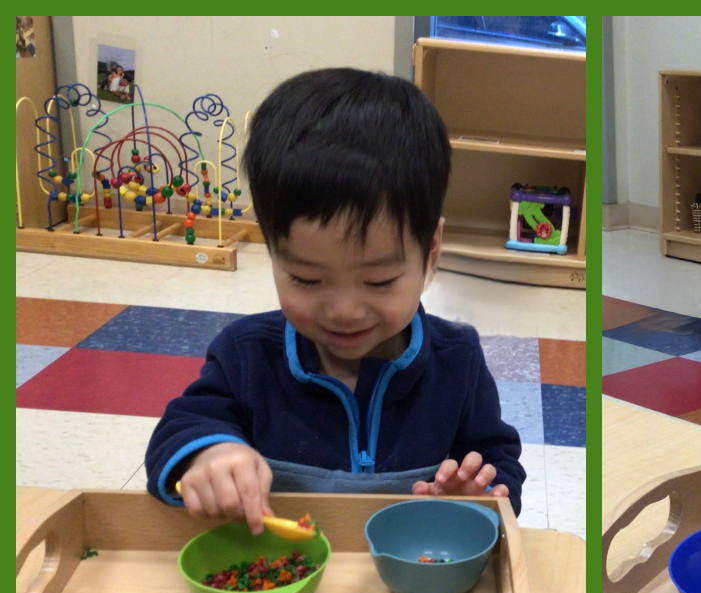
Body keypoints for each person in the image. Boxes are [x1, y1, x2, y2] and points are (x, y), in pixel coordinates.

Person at [145, 68, 524, 533]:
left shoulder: (457, 363)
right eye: (306, 279)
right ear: (271, 252)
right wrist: (210, 454)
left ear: (431, 253)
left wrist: (480, 498)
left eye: (380, 281)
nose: (344, 311)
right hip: (279, 580)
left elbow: (499, 460)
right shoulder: (247, 355)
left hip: (412, 584)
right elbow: (179, 431)